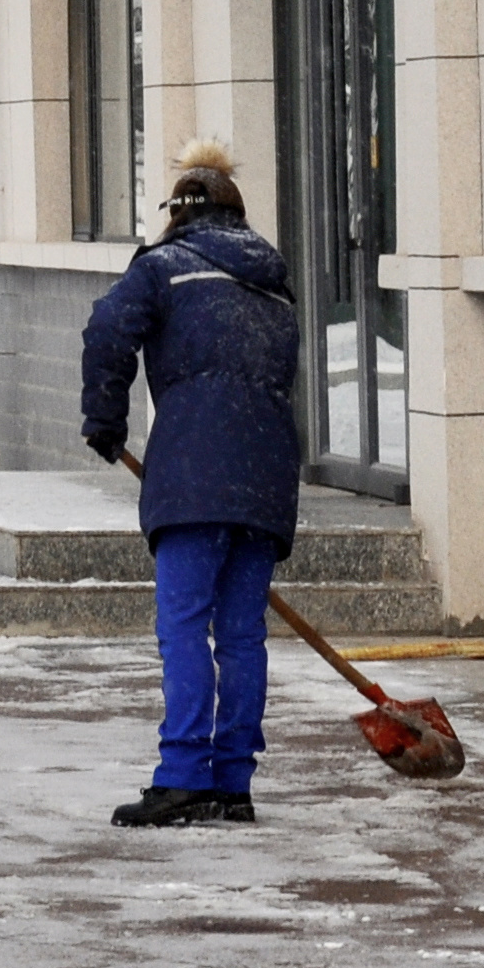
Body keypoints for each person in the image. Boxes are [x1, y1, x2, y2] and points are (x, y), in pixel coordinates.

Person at [81, 142, 304, 827]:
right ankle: (232, 782)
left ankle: (181, 775)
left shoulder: (164, 267)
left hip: (193, 470)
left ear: (176, 214)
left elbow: (106, 330)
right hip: (267, 469)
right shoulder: (274, 279)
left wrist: (104, 419)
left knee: (182, 626)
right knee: (241, 634)